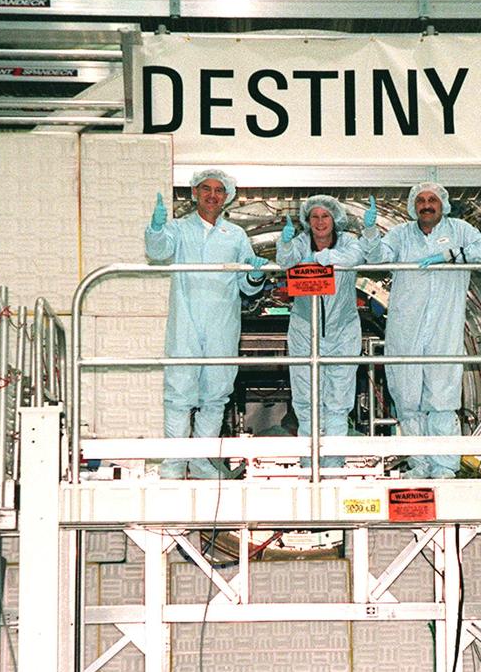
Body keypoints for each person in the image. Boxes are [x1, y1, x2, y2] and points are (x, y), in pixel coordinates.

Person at [362, 182, 481, 478]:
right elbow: (376, 258)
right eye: (421, 200)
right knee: (408, 399)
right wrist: (372, 233)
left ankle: (444, 467)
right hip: (406, 329)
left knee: (442, 399)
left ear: (443, 204)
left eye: (432, 200)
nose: (426, 204)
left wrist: (451, 256)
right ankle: (420, 464)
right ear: (414, 206)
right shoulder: (400, 234)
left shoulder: (460, 229)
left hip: (443, 330)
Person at [145, 169, 268, 478]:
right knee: (178, 394)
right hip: (185, 322)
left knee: (215, 395)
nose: (212, 195)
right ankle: (173, 462)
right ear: (195, 193)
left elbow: (247, 286)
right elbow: (157, 252)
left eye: (218, 190)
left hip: (222, 325)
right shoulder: (178, 229)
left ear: (226, 197)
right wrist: (157, 228)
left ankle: (201, 461)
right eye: (206, 189)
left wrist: (254, 274)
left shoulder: (236, 235)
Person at [276, 195, 365, 467]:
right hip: (305, 328)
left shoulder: (348, 240)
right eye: (314, 217)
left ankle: (334, 464)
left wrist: (320, 258)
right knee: (306, 401)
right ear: (307, 221)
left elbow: (355, 257)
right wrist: (286, 242)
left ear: (334, 219)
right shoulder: (301, 242)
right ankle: (309, 464)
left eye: (325, 216)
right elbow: (285, 261)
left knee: (338, 401)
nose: (319, 222)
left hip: (343, 330)